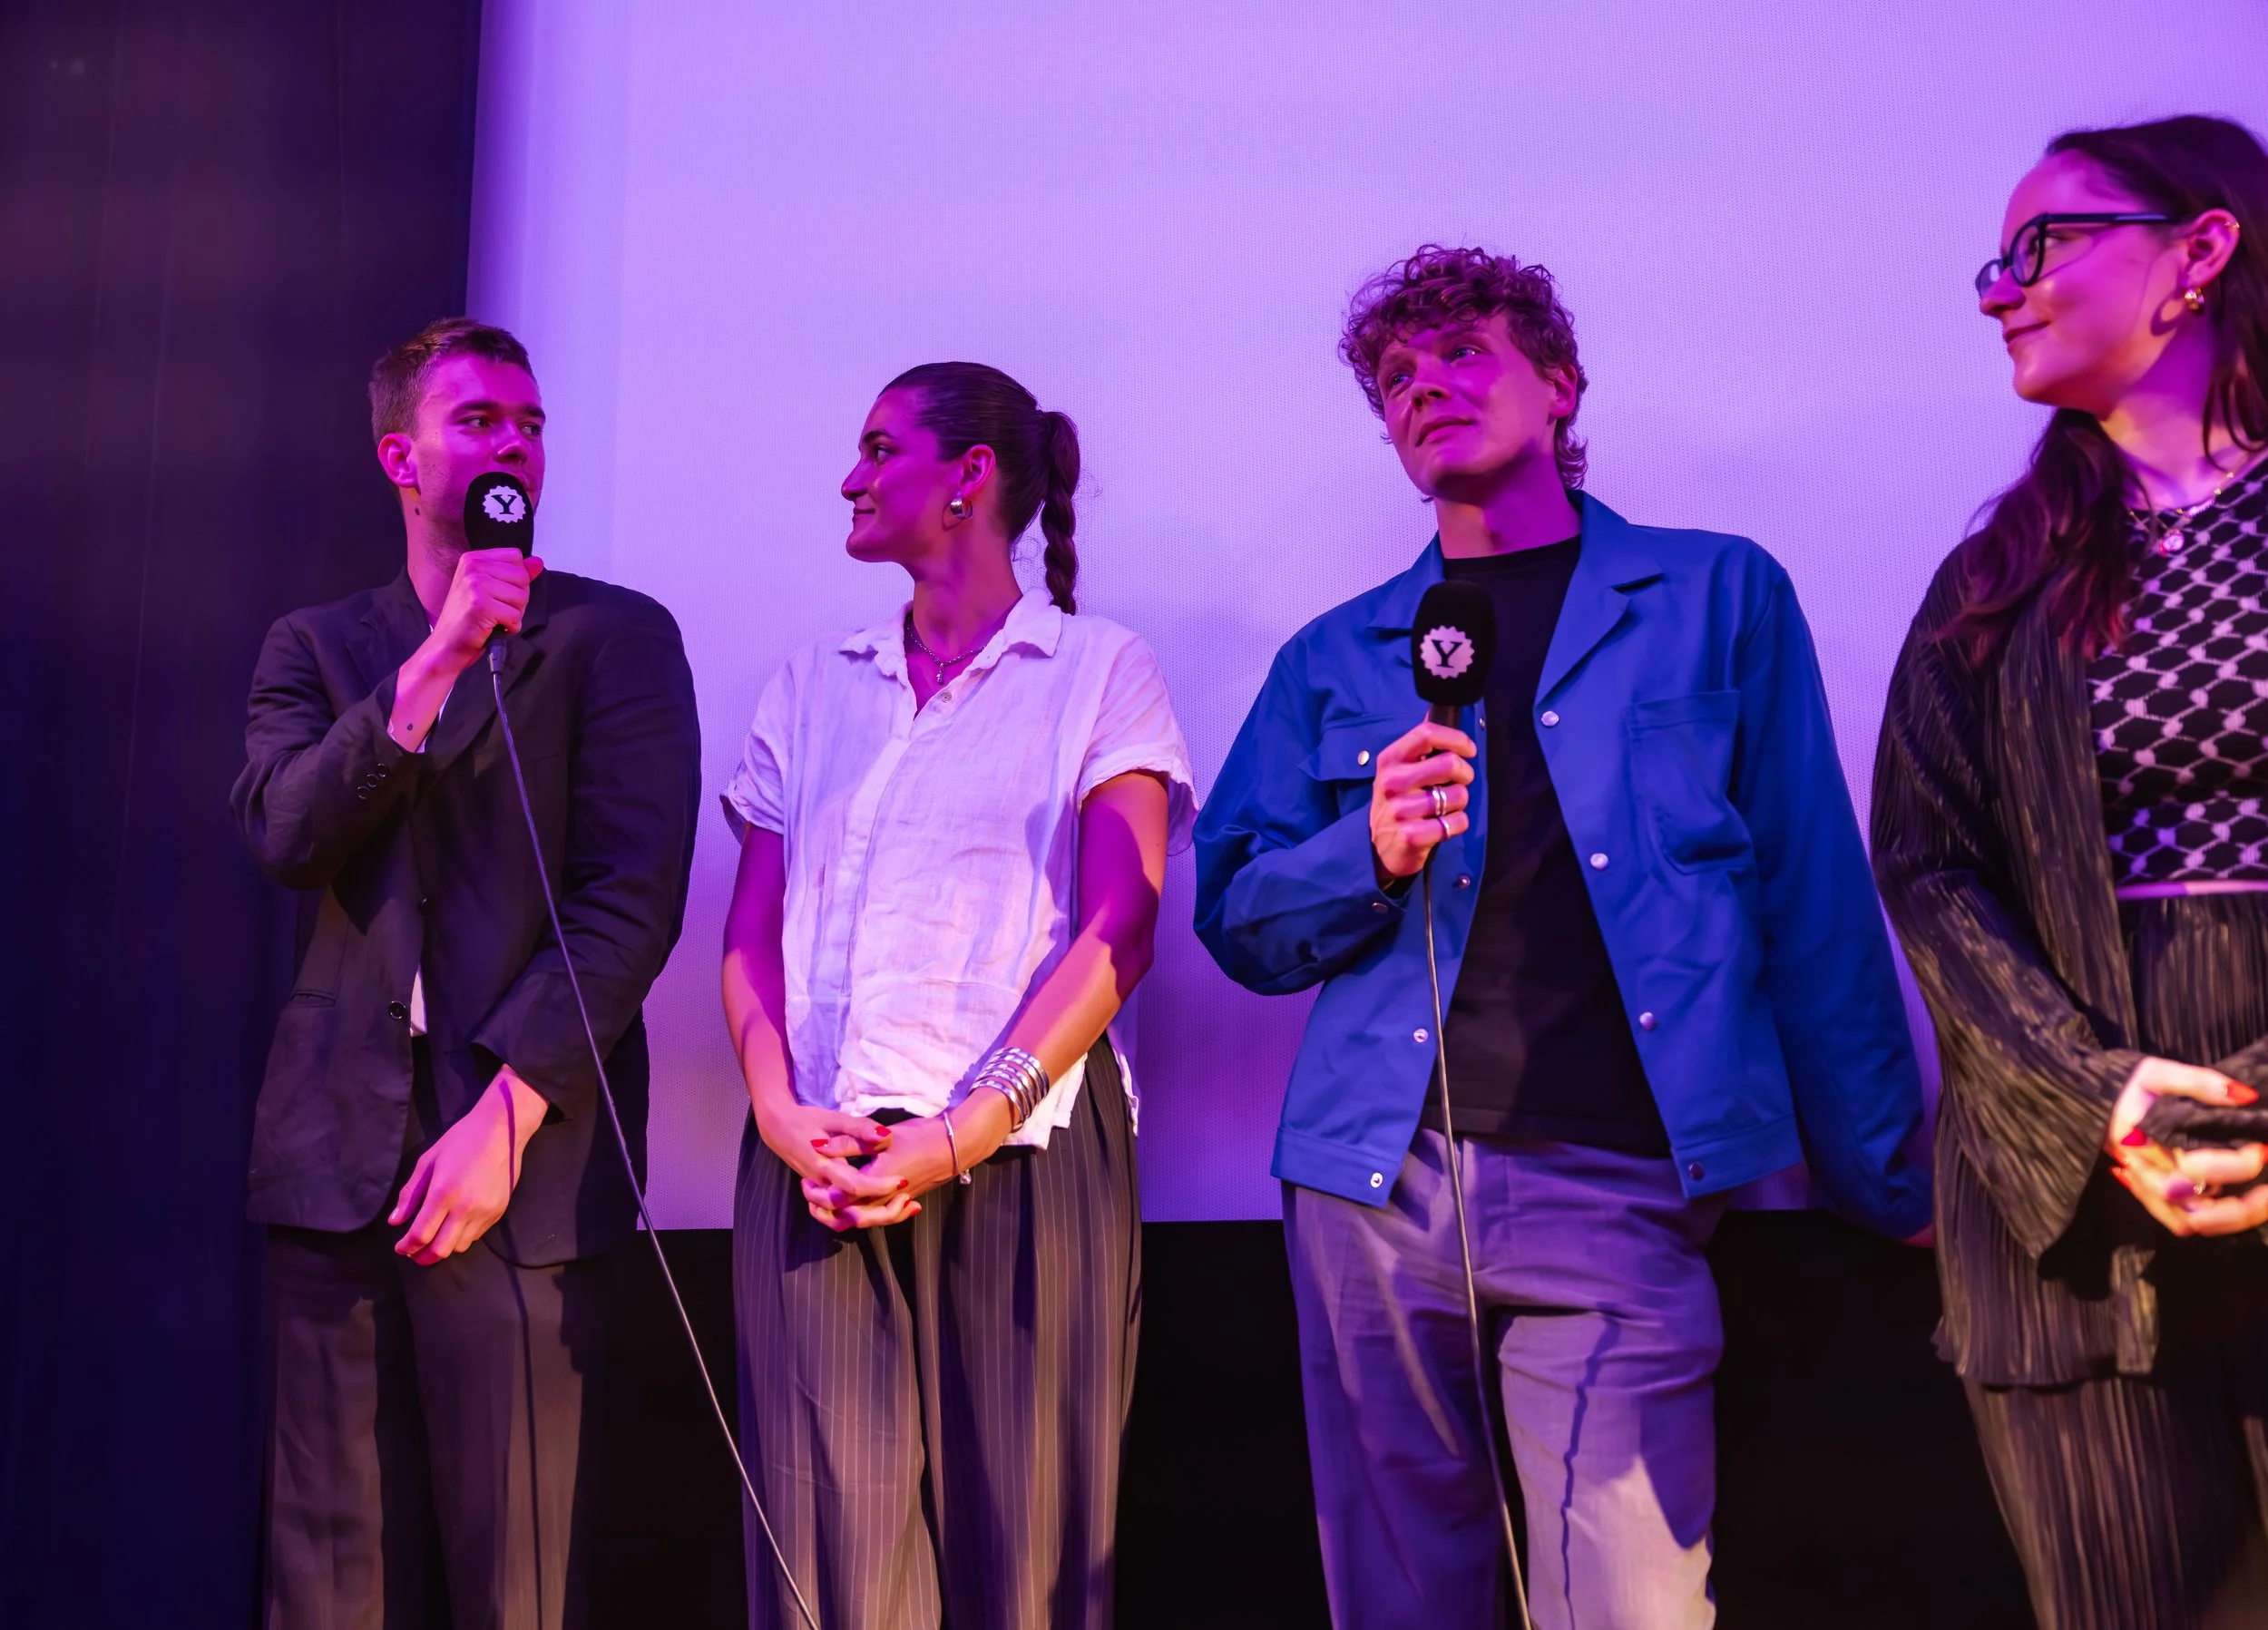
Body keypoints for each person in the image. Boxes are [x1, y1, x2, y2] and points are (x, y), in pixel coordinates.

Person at [1193, 246, 1931, 1630]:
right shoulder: (1338, 653)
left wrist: (1889, 1179)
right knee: (1407, 1604)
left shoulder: (1719, 596)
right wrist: (1370, 849)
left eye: (1462, 353)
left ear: (1561, 381)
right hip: (1373, 1186)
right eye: (1396, 379)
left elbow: (1815, 901)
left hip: (1622, 1186)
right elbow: (1233, 916)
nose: (1425, 388)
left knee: (1633, 1608)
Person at [230, 318, 701, 1629]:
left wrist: (506, 1112)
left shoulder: (617, 639)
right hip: (341, 1164)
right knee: (330, 1578)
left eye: (532, 425)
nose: (514, 446)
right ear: (402, 454)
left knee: (518, 1581)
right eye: (481, 421)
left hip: (525, 1164)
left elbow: (630, 902)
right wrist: (434, 661)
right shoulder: (317, 646)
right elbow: (285, 832)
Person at [719, 362, 1194, 1630]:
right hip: (819, 1156)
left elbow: (1121, 928)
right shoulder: (814, 681)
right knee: (835, 1586)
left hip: (1024, 1160)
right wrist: (774, 1109)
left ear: (969, 477)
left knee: (1025, 1575)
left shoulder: (1098, 669)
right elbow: (751, 935)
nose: (850, 475)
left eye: (880, 448)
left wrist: (962, 1126)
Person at [1873, 115, 2268, 1630]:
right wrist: (2105, 1091)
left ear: (2201, 251)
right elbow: (1924, 866)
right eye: (2000, 260)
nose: (2001, 290)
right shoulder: (1994, 583)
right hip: (2075, 1226)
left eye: (2044, 246)